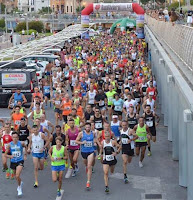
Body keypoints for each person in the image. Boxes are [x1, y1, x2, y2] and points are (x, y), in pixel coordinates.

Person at [76, 122, 99, 189]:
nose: (88, 128)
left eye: (89, 127)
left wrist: (96, 144)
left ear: (90, 127)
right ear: (85, 128)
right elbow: (76, 141)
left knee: (89, 166)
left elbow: (95, 139)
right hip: (84, 151)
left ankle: (88, 182)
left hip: (91, 151)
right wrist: (82, 142)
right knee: (86, 164)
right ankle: (86, 167)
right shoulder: (81, 133)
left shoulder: (93, 133)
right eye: (86, 127)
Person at [5, 132, 27, 196]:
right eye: (13, 137)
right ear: (12, 138)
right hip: (13, 161)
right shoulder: (9, 145)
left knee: (17, 175)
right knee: (16, 177)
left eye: (16, 137)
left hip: (20, 160)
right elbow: (5, 154)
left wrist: (25, 155)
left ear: (18, 138)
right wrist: (10, 156)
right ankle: (20, 182)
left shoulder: (21, 143)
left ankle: (19, 188)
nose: (15, 139)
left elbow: (26, 146)